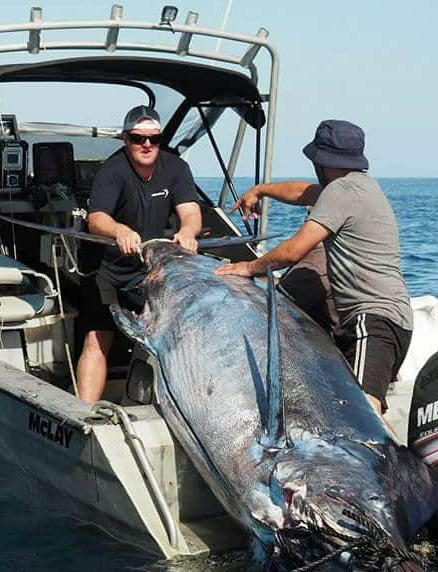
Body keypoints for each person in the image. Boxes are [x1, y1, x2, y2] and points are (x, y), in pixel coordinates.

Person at [216, 119, 413, 416]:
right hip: (395, 321)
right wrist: (261, 190)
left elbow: (295, 249)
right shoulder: (359, 187)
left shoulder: (340, 192)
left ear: (321, 160)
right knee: (352, 413)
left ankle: (394, 464)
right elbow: (302, 192)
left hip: (372, 321)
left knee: (363, 415)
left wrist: (249, 267)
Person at [76, 105, 202, 403]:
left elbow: (191, 211)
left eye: (153, 139)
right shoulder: (112, 170)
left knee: (169, 338)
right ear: (125, 139)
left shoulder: (177, 168)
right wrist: (118, 230)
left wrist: (188, 231)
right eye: (138, 138)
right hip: (106, 269)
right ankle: (82, 413)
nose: (146, 145)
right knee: (97, 338)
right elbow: (96, 218)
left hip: (151, 272)